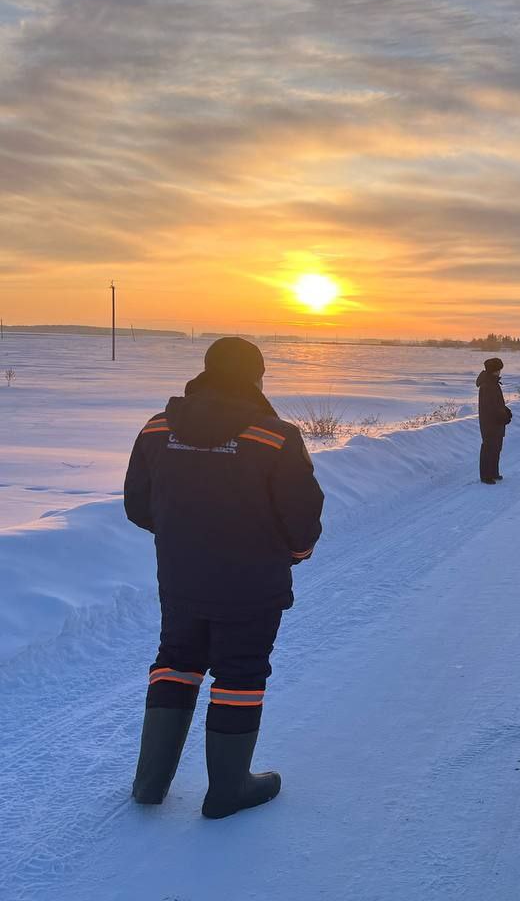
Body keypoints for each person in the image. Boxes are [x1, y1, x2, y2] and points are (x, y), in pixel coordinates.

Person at [123, 337, 324, 819]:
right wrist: (295, 553)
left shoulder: (155, 428)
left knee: (175, 661)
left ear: (206, 372)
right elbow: (302, 516)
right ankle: (227, 790)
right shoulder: (276, 436)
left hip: (180, 579)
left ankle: (149, 784)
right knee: (240, 673)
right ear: (255, 378)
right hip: (251, 585)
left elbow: (137, 505)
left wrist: (182, 536)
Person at [477, 357, 512, 483]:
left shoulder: (492, 383)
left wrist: (505, 411)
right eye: (498, 369)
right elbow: (490, 407)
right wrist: (502, 416)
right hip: (490, 423)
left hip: (495, 423)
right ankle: (486, 476)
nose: (500, 372)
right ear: (494, 370)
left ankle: (493, 472)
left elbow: (497, 404)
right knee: (489, 448)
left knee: (496, 447)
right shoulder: (487, 385)